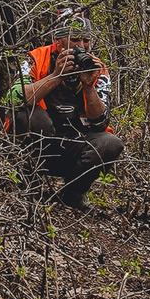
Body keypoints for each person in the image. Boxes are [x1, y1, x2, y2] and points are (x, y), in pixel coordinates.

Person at [17, 11, 124, 207]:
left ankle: (73, 194)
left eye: (86, 40)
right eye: (74, 39)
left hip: (74, 143)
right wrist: (56, 76)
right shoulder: (37, 57)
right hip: (40, 140)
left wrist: (89, 86)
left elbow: (100, 122)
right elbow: (16, 98)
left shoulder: (97, 67)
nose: (81, 46)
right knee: (31, 118)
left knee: (111, 143)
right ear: (58, 42)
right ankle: (28, 182)